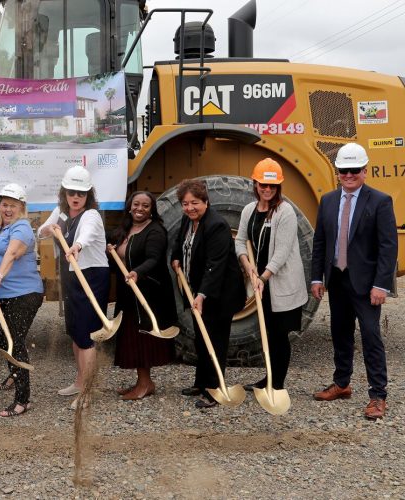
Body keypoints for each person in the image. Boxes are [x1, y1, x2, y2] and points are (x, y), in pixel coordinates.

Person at [310, 143, 397, 420]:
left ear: (365, 171)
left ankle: (378, 396)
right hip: (337, 280)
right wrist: (316, 277)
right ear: (337, 172)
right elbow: (320, 242)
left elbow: (388, 246)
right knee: (340, 332)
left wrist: (381, 285)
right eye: (343, 170)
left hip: (367, 284)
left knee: (371, 336)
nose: (349, 175)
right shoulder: (328, 201)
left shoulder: (380, 202)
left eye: (354, 170)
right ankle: (342, 383)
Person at [37, 166, 109, 410]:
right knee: (75, 332)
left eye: (81, 193)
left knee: (87, 335)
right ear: (64, 193)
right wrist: (49, 228)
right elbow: (41, 232)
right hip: (72, 276)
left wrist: (77, 245)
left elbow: (87, 235)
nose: (76, 197)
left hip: (92, 275)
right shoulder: (61, 212)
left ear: (88, 195)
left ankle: (88, 391)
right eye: (71, 193)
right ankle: (79, 382)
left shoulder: (91, 215)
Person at [170, 179, 245, 409]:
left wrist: (202, 295)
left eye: (194, 203)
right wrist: (175, 257)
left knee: (215, 342)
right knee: (201, 339)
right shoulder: (188, 220)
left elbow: (216, 264)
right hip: (198, 291)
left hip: (219, 294)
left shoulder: (217, 225)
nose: (189, 208)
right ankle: (201, 383)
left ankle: (215, 390)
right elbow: (180, 241)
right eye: (185, 203)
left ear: (206, 202)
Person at [235, 159, 307, 393]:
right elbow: (240, 241)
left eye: (272, 186)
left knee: (279, 334)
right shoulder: (249, 210)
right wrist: (248, 267)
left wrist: (263, 278)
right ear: (255, 184)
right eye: (262, 185)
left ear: (278, 187)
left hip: (280, 283)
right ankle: (267, 377)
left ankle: (276, 384)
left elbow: (282, 253)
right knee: (266, 333)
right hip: (260, 281)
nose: (267, 189)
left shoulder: (285, 212)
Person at [0, 184, 44, 417]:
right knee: (3, 340)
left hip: (23, 294)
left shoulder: (22, 228)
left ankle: (23, 400)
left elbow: (12, 253)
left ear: (21, 208)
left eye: (13, 205)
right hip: (3, 295)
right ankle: (14, 376)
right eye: (4, 204)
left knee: (14, 342)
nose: (8, 209)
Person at [107, 191, 176, 401]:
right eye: (136, 204)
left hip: (148, 295)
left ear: (151, 210)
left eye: (145, 206)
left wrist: (138, 272)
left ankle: (145, 384)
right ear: (129, 207)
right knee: (131, 338)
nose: (140, 209)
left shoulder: (156, 231)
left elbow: (154, 259)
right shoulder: (124, 230)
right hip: (128, 295)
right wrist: (109, 251)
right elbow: (116, 263)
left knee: (142, 339)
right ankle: (142, 382)